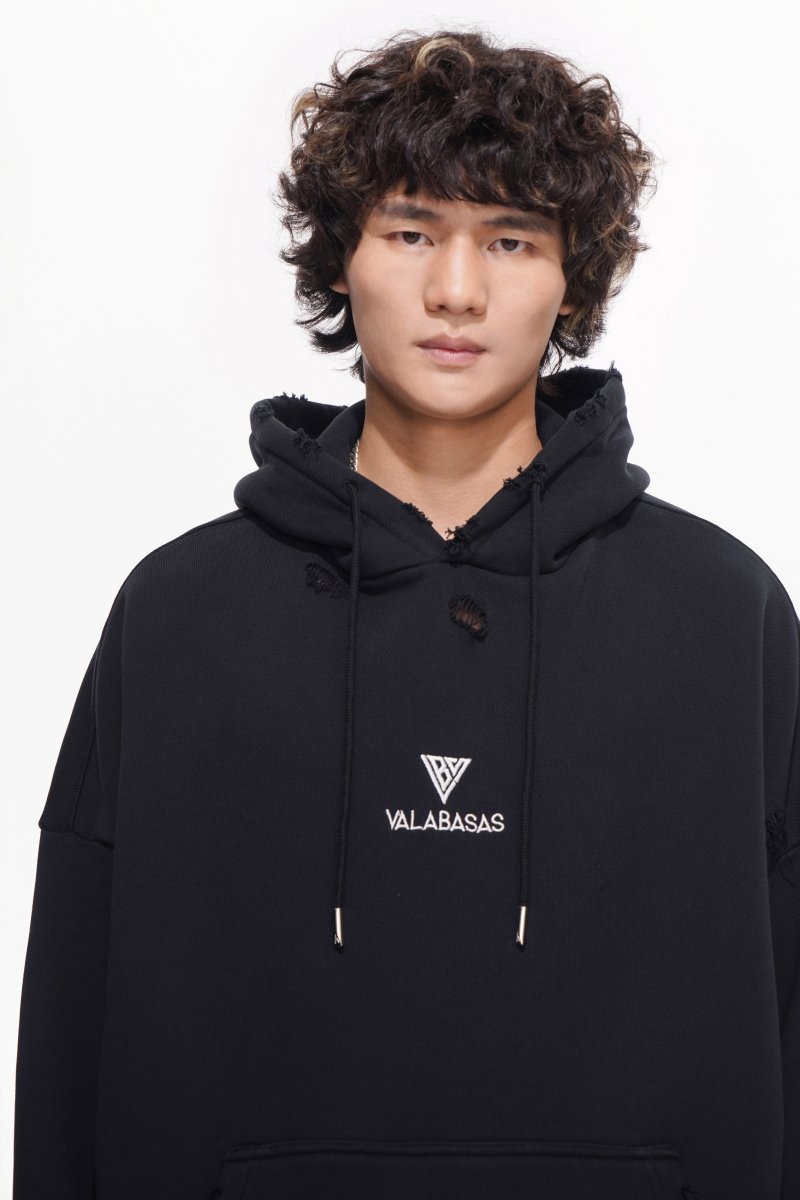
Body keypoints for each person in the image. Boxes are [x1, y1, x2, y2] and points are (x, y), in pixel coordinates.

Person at [12, 26, 799, 1200]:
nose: (456, 291)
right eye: (411, 231)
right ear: (341, 257)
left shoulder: (724, 618)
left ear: (572, 277)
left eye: (511, 239)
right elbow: (70, 1037)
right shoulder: (177, 616)